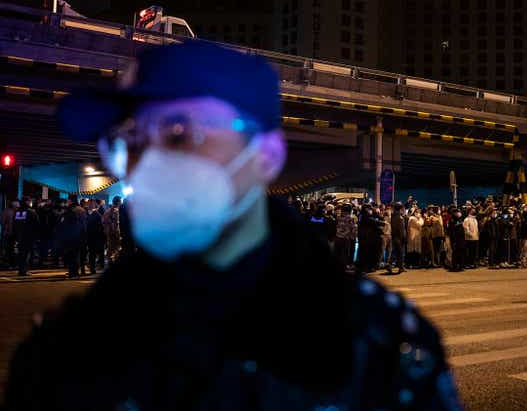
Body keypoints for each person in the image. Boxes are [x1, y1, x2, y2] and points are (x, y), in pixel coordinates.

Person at [4, 41, 461, 411]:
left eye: (179, 132)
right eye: (130, 140)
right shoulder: (70, 346)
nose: (149, 162)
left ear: (266, 154)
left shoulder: (380, 344)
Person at [13, 198, 40, 276]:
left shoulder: (17, 212)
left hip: (20, 236)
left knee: (21, 253)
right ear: (27, 202)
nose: (31, 202)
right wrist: (36, 235)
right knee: (27, 254)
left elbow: (15, 224)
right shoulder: (31, 211)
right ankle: (24, 270)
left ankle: (21, 269)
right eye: (30, 201)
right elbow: (37, 224)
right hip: (29, 236)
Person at [1, 200, 19, 268]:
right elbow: (3, 222)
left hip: (11, 233)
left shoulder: (6, 211)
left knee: (11, 249)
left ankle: (12, 263)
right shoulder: (8, 211)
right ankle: (11, 263)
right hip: (11, 233)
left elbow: (2, 222)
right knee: (11, 249)